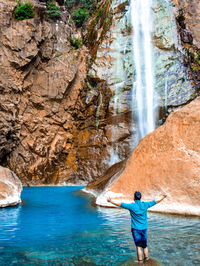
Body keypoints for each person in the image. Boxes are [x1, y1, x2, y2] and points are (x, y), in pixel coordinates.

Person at [107, 192, 167, 263]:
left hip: (135, 229)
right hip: (144, 229)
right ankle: (147, 260)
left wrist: (111, 201)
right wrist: (163, 197)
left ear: (134, 198)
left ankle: (140, 262)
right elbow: (155, 201)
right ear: (140, 197)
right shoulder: (145, 205)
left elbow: (120, 204)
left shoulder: (131, 206)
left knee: (138, 246)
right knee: (145, 246)